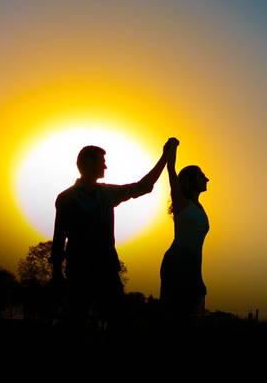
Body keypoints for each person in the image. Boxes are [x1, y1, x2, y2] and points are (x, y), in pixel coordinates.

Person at [50, 137, 177, 326]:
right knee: (76, 320)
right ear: (87, 163)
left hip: (107, 268)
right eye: (102, 162)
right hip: (79, 270)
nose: (105, 167)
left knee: (117, 320)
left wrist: (165, 157)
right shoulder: (67, 198)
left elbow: (142, 187)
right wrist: (57, 273)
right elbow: (59, 237)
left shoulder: (107, 193)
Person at [160, 142, 210, 323]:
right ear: (190, 181)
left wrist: (199, 276)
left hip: (192, 265)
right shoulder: (181, 202)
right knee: (176, 319)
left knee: (192, 316)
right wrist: (172, 149)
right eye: (202, 176)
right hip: (177, 263)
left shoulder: (199, 206)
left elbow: (197, 248)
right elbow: (171, 170)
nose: (207, 179)